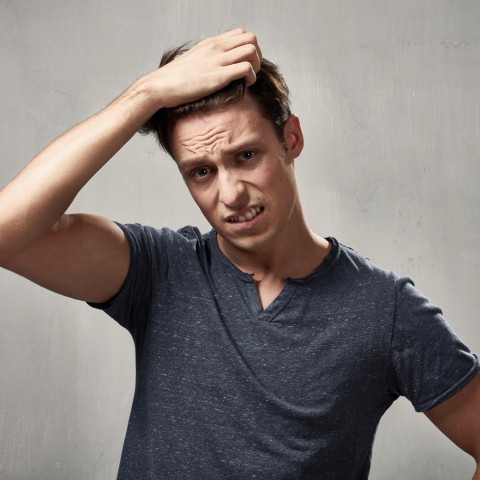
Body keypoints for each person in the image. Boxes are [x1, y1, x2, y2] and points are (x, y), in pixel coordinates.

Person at [0, 28, 478, 480]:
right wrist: (146, 94)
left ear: (291, 140)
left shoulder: (384, 308)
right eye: (201, 172)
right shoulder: (160, 270)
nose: (230, 194)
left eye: (246, 156)